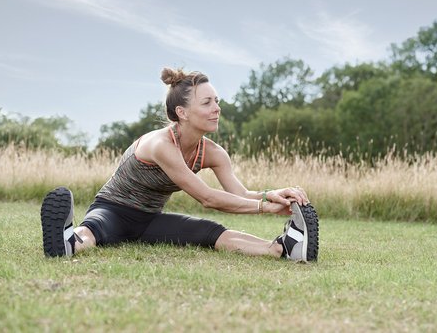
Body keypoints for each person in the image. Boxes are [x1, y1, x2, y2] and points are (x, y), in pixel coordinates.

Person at [40, 67, 318, 262]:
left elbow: (240, 195)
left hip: (150, 219)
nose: (217, 108)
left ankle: (283, 248)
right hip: (112, 210)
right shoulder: (160, 145)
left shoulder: (214, 153)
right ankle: (69, 241)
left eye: (217, 101)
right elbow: (207, 197)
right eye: (207, 102)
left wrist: (272, 195)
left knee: (210, 232)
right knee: (93, 231)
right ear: (182, 113)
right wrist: (263, 208)